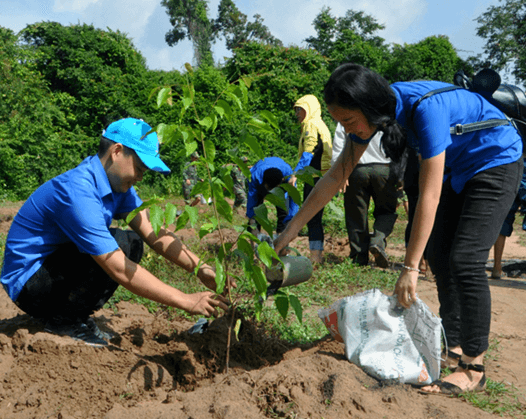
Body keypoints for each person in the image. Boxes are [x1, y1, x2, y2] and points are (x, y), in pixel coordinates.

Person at [274, 64, 523, 395]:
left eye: (349, 121)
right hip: (461, 166)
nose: (348, 128)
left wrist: (409, 268)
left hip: (496, 159)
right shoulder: (378, 116)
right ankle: (456, 347)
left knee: (465, 259)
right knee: (437, 252)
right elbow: (334, 178)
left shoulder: (425, 109)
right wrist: (289, 233)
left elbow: (429, 197)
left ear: (370, 108)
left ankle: (474, 367)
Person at [1, 118, 232, 347]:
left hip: (53, 268)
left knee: (132, 242)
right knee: (118, 246)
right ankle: (64, 322)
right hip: (29, 283)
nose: (141, 177)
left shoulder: (117, 186)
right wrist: (186, 301)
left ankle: (74, 317)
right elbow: (117, 267)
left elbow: (154, 233)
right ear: (117, 151)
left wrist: (200, 267)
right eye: (139, 168)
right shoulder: (78, 192)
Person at [331, 122, 399, 268]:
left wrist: (341, 173)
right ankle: (378, 241)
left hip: (356, 170)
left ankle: (358, 258)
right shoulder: (383, 114)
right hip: (384, 169)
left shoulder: (347, 113)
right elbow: (397, 140)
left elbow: (338, 145)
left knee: (355, 215)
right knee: (387, 211)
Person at [292, 94, 333, 263]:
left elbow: (310, 151)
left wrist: (296, 174)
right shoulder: (320, 124)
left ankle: (315, 258)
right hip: (323, 176)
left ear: (308, 109)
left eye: (299, 109)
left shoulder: (311, 124)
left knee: (312, 218)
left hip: (315, 177)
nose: (297, 114)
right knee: (314, 217)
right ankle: (317, 255)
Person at [491, 157, 526, 279]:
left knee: (504, 216)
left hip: (512, 162)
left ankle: (497, 267)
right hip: (515, 162)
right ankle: (496, 267)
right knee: (504, 217)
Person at [246, 157, 299, 235]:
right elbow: (251, 199)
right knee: (256, 209)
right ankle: (255, 237)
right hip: (260, 179)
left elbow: (294, 199)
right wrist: (252, 220)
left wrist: (292, 219)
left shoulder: (289, 177)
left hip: (281, 178)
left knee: (284, 210)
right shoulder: (255, 177)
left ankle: (281, 236)